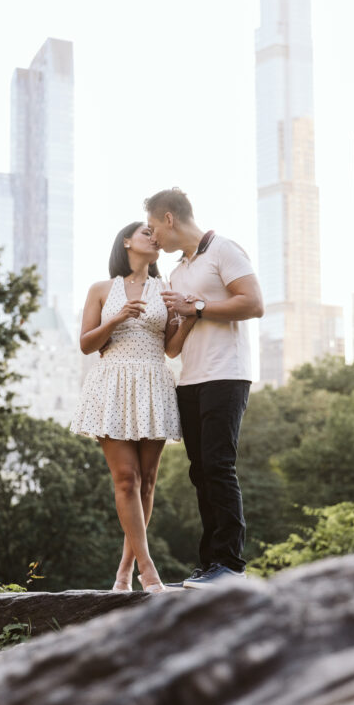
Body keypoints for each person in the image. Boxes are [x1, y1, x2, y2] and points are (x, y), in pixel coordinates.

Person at [144, 188, 264, 587]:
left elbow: (253, 304)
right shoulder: (177, 272)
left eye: (152, 227)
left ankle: (230, 565)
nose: (152, 236)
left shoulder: (224, 250)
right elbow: (175, 348)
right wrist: (183, 317)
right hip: (191, 379)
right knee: (200, 471)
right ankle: (210, 563)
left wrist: (198, 308)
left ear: (169, 219)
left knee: (218, 466)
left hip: (226, 375)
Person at [70, 221, 194, 593]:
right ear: (126, 241)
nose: (153, 237)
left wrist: (187, 320)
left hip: (153, 382)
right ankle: (149, 571)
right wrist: (118, 317)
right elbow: (87, 345)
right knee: (126, 479)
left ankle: (125, 571)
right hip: (112, 384)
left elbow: (171, 348)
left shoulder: (166, 287)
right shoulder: (101, 289)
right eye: (145, 232)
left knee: (147, 481)